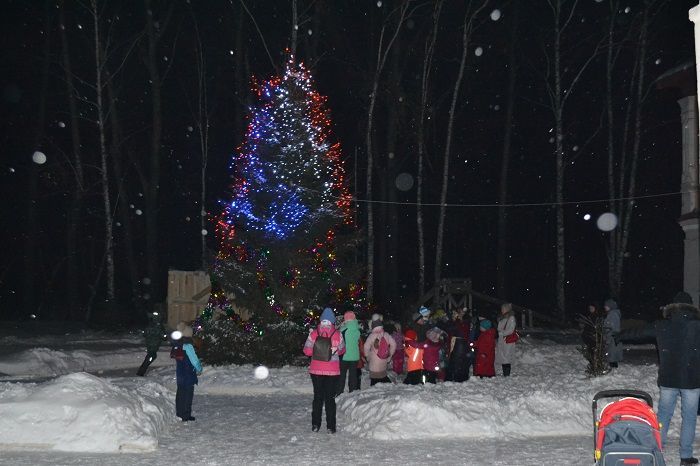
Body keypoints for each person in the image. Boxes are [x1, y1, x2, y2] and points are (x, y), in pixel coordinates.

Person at [619, 292, 700, 465]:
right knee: (690, 417)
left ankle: (656, 451)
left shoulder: (662, 325)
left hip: (668, 379)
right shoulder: (697, 326)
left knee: (664, 415)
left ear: (672, 307)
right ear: (691, 307)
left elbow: (638, 332)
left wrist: (619, 335)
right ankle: (685, 457)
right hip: (691, 380)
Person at [303, 307, 345, 433]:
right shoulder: (338, 334)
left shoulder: (314, 333)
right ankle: (331, 427)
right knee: (330, 399)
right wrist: (334, 349)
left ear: (321, 320)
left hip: (316, 371)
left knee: (318, 397)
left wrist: (316, 350)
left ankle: (315, 425)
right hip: (332, 372)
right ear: (332, 321)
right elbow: (343, 350)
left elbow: (306, 351)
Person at [173, 322, 203, 422]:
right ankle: (186, 415)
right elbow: (194, 361)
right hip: (188, 374)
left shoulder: (178, 344)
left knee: (180, 394)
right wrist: (199, 369)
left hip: (180, 374)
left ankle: (180, 413)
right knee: (188, 396)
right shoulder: (188, 346)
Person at [364, 319, 397, 385]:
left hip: (374, 363)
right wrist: (390, 355)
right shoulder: (386, 334)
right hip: (384, 361)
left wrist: (367, 356)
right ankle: (389, 387)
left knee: (374, 381)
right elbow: (394, 344)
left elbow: (366, 347)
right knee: (383, 378)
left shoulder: (371, 336)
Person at [337, 310, 361, 395]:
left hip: (344, 356)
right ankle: (352, 393)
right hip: (354, 356)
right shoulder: (357, 330)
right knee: (353, 376)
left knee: (341, 375)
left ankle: (339, 392)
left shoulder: (343, 330)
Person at [445, 308, 471, 382]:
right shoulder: (453, 321)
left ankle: (459, 377)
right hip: (454, 342)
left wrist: (456, 321)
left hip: (461, 342)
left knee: (460, 360)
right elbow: (449, 329)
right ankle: (453, 376)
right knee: (453, 359)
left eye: (462, 312)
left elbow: (461, 331)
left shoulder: (465, 321)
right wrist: (453, 320)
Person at [136, 309, 165, 376]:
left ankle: (141, 371)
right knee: (151, 356)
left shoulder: (149, 325)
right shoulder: (159, 327)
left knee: (151, 355)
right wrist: (163, 336)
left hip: (149, 344)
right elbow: (164, 337)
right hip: (154, 344)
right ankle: (141, 372)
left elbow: (144, 334)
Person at [495, 302, 517, 376]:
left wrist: (501, 333)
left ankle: (506, 374)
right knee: (503, 357)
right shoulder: (502, 318)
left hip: (507, 340)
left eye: (503, 308)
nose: (501, 310)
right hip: (502, 340)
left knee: (506, 357)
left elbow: (511, 330)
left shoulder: (511, 318)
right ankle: (505, 373)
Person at [603, 299, 623, 369]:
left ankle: (614, 371)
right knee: (611, 355)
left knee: (612, 355)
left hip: (613, 338)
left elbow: (615, 328)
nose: (605, 307)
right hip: (611, 337)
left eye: (606, 305)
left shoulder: (613, 314)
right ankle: (613, 369)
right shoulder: (611, 313)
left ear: (610, 306)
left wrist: (609, 335)